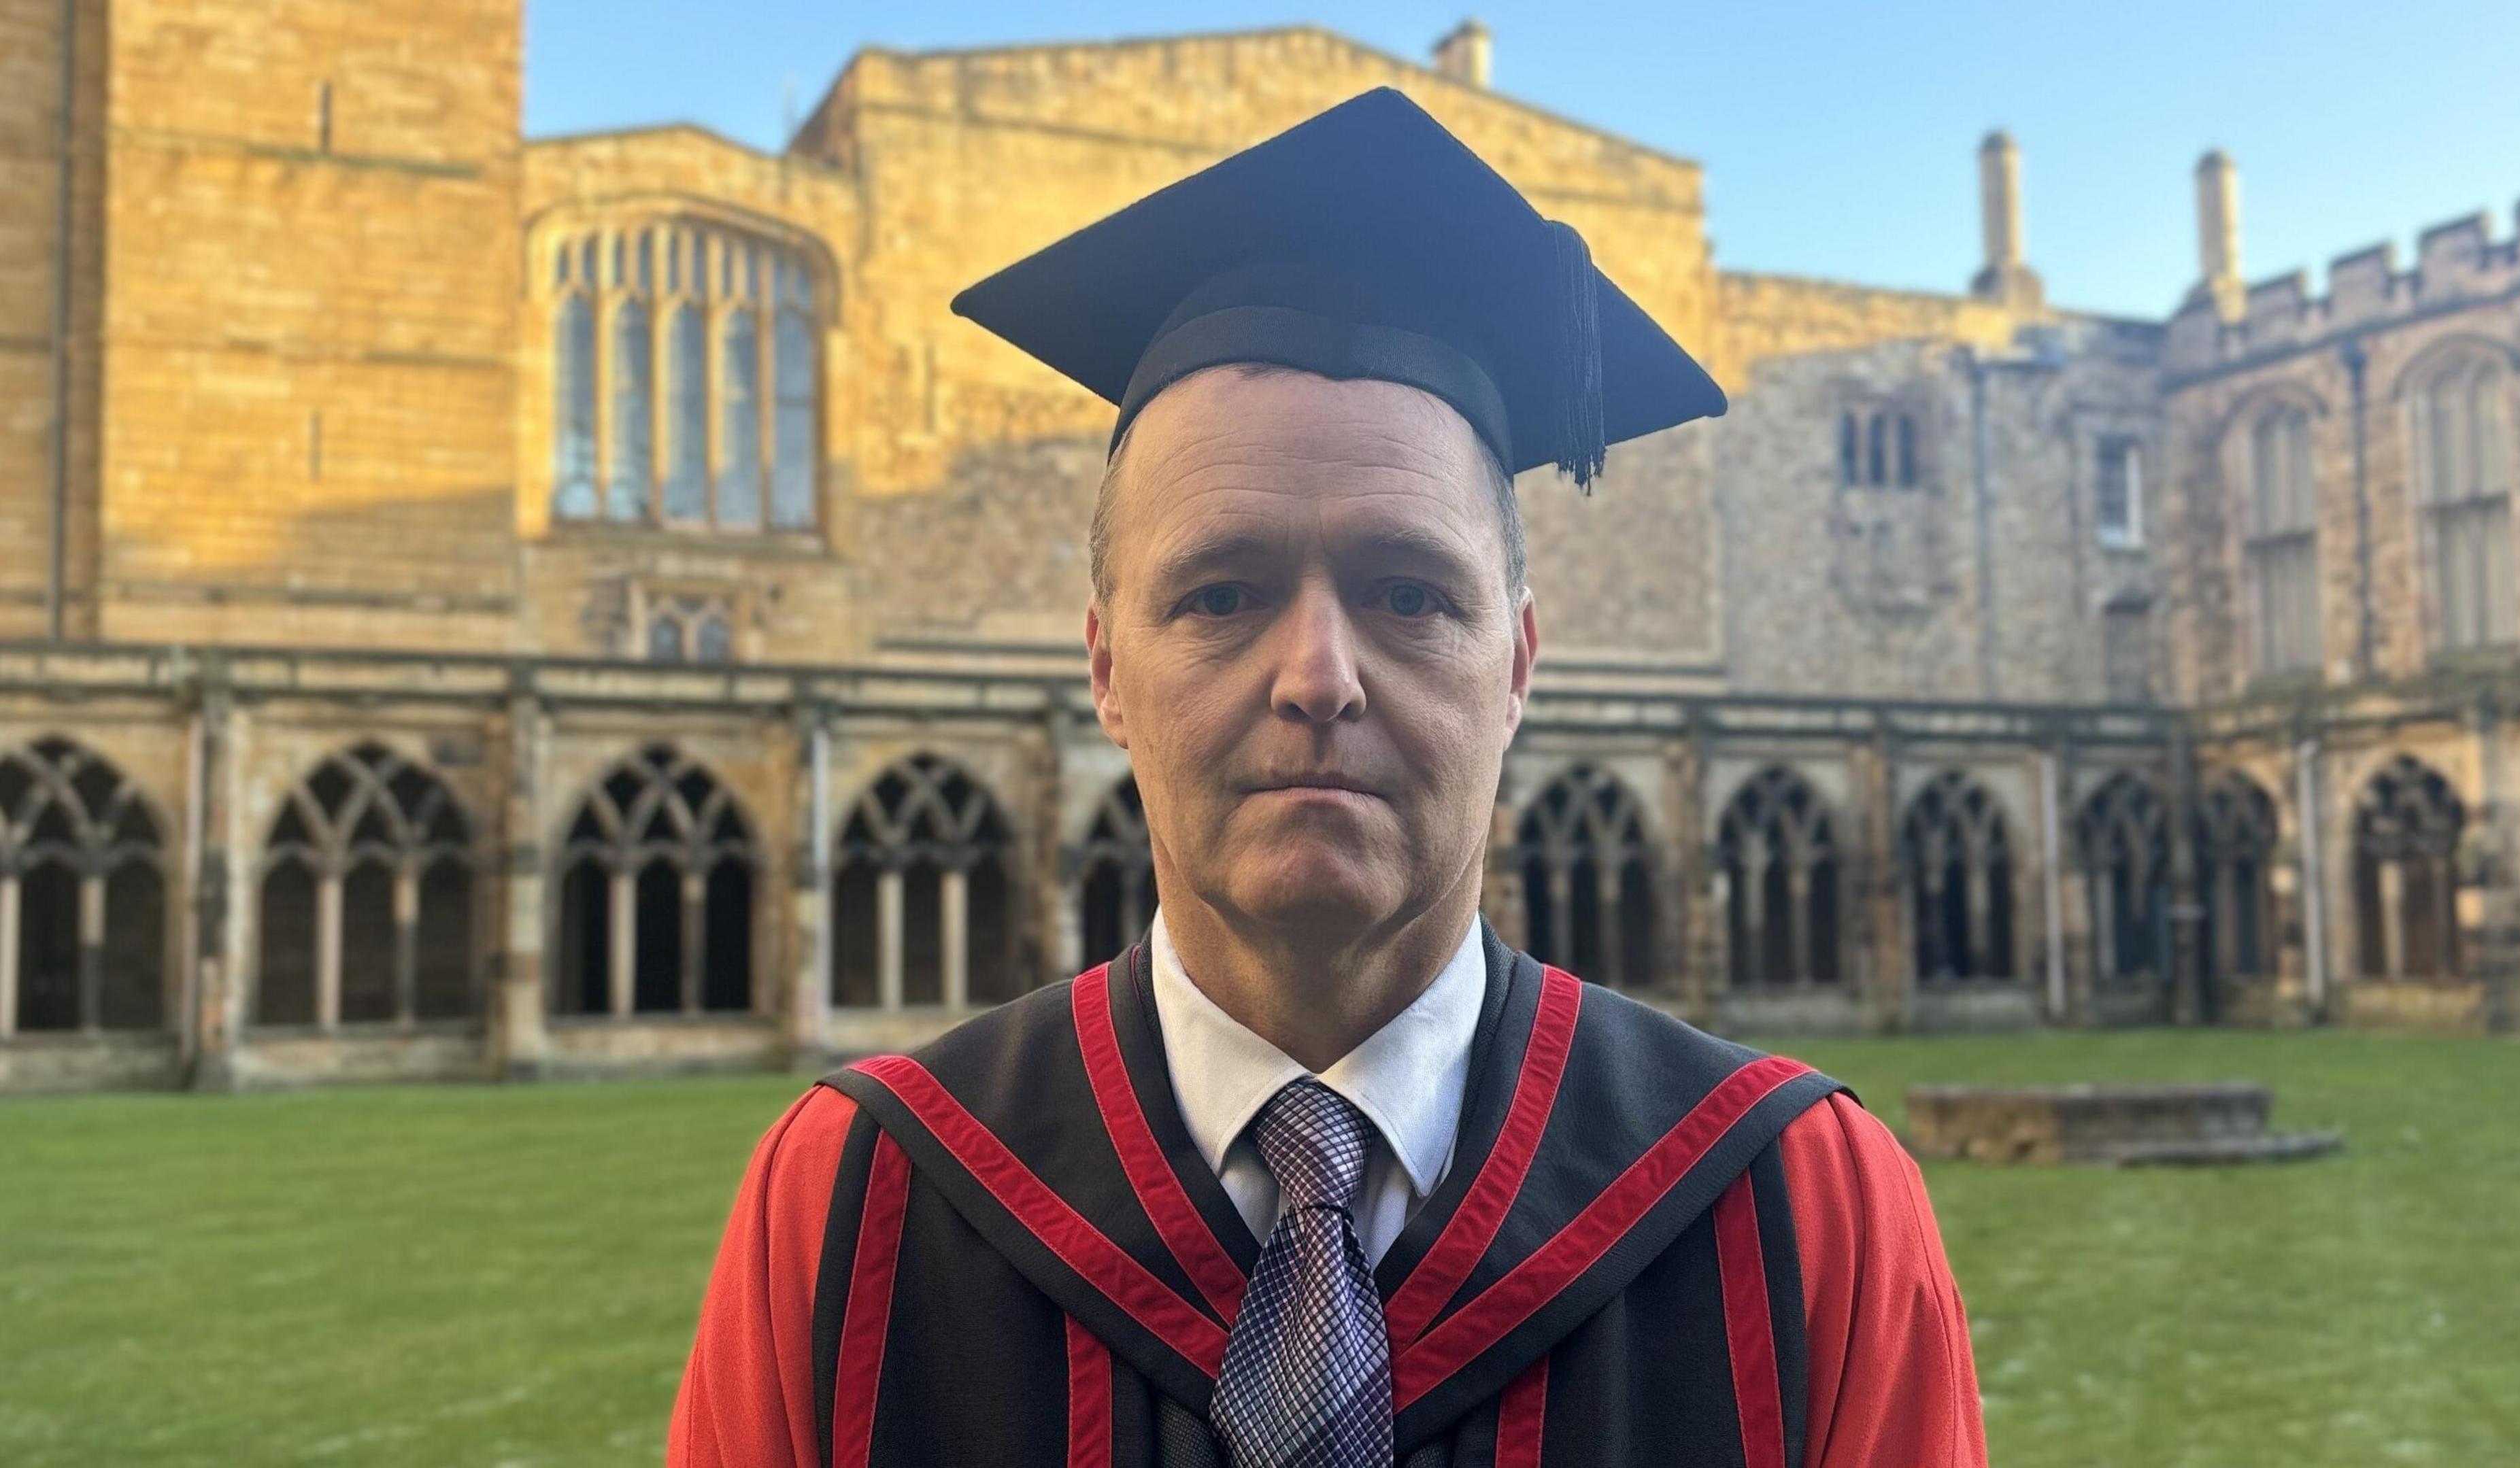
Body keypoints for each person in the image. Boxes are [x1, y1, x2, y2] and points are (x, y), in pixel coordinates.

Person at [669, 87, 1986, 1468]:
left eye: (1408, 592)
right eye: (1223, 593)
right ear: (1108, 669)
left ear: (1520, 664)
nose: (1318, 676)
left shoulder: (1805, 1212)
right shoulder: (851, 1210)